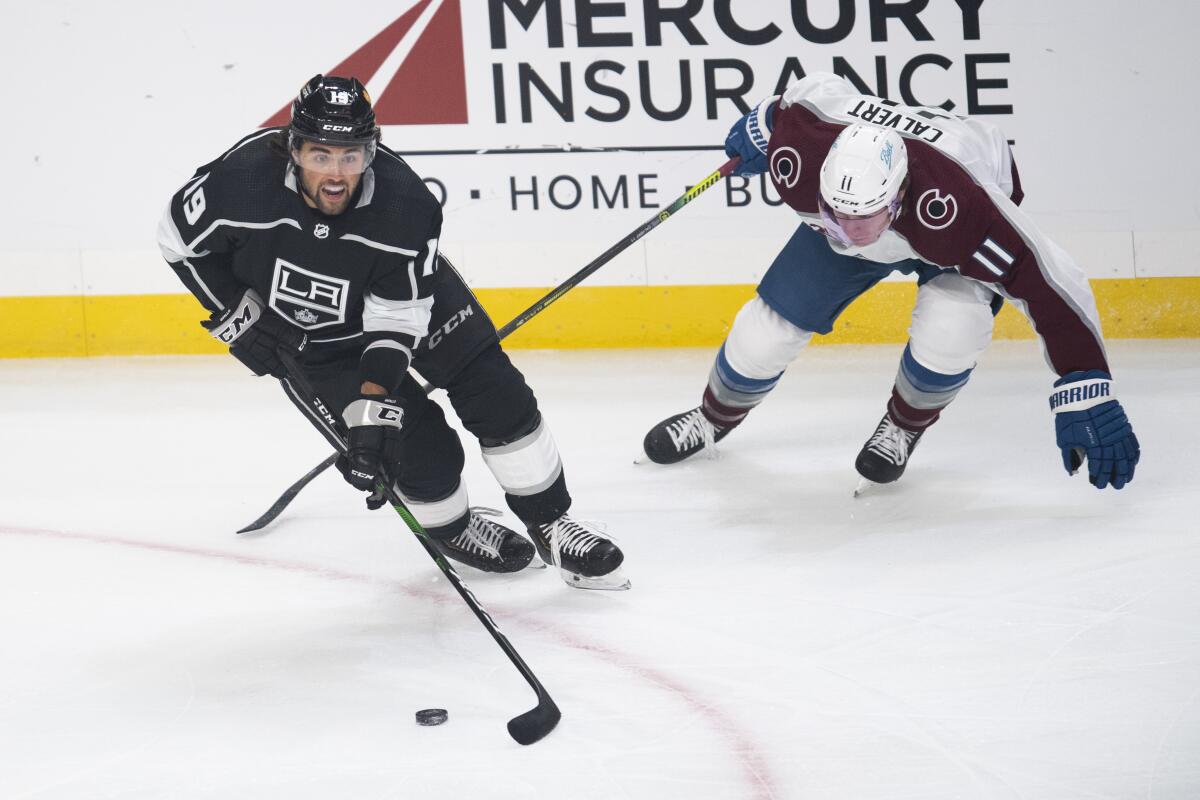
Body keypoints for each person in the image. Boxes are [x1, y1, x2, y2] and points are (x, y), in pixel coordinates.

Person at [157, 74, 628, 589]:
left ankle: (552, 522)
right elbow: (176, 240)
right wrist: (237, 315)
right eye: (320, 155)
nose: (335, 175)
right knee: (417, 454)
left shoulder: (406, 204)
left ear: (372, 150)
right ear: (293, 149)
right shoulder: (240, 182)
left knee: (497, 394)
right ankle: (454, 530)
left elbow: (397, 315)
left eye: (351, 156)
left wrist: (373, 399)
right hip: (313, 340)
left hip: (412, 301)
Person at [642, 72, 1139, 493]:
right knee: (763, 333)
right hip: (894, 196)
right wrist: (765, 119)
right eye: (839, 213)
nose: (852, 234)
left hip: (944, 222)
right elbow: (813, 89)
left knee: (952, 332)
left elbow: (1052, 280)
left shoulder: (964, 209)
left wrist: (1084, 381)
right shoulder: (798, 159)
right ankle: (713, 418)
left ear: (899, 193)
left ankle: (904, 426)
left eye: (865, 217)